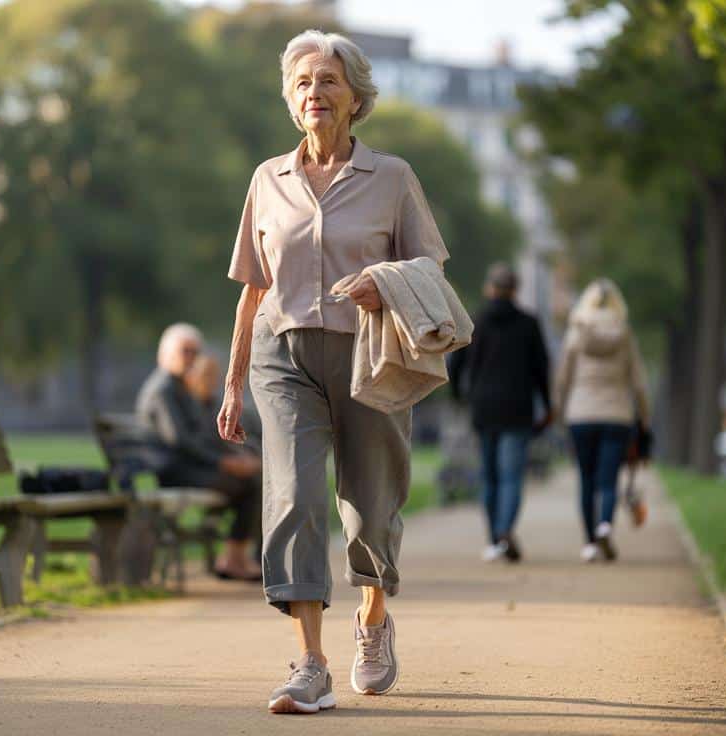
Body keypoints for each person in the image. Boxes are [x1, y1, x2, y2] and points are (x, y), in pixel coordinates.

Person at [218, 30, 451, 714]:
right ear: (291, 101)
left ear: (355, 98)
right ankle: (310, 663)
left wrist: (386, 283)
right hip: (282, 355)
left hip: (370, 354)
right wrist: (233, 382)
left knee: (369, 505)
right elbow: (252, 289)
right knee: (292, 497)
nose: (314, 92)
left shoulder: (394, 177)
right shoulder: (268, 179)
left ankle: (373, 620)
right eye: (302, 83)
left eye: (328, 81)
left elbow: (429, 264)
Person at [137, 323, 263, 581]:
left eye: (195, 351)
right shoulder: (162, 390)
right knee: (250, 484)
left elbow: (202, 436)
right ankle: (233, 558)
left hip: (192, 467)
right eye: (185, 351)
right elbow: (180, 441)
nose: (192, 358)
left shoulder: (179, 388)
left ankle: (234, 558)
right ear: (166, 354)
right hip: (174, 471)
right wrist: (224, 463)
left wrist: (237, 457)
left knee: (253, 480)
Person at [447, 263, 552, 564]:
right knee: (511, 476)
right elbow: (541, 369)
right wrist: (548, 406)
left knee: (489, 476)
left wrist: (459, 397)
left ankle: (495, 537)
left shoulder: (475, 321)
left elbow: (457, 364)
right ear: (515, 290)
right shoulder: (529, 324)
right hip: (518, 409)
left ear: (489, 289)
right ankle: (506, 529)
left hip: (484, 408)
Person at [554, 279, 651, 563]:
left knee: (586, 479)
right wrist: (644, 418)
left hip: (581, 415)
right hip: (617, 416)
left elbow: (562, 379)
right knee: (608, 481)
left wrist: (560, 413)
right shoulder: (625, 334)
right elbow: (639, 383)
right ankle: (605, 525)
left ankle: (589, 544)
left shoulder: (575, 335)